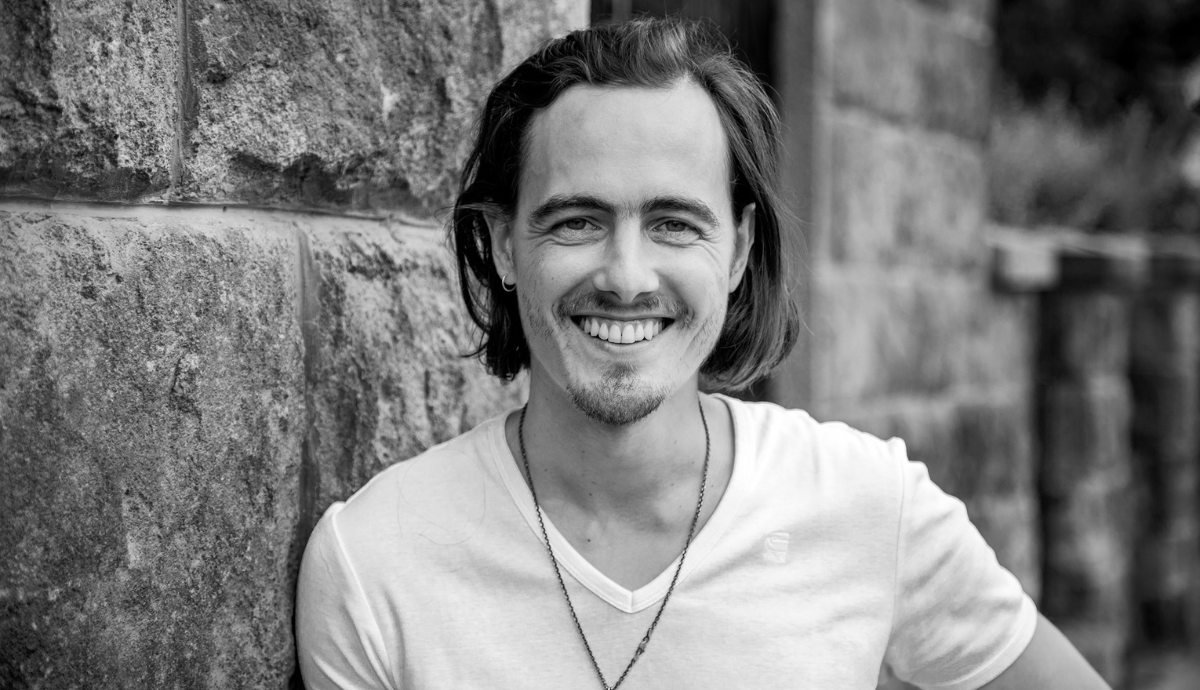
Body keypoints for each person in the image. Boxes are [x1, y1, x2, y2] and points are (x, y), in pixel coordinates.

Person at [296, 17, 1110, 690]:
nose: (626, 276)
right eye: (577, 221)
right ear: (506, 246)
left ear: (739, 248)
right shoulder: (377, 564)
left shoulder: (870, 508)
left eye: (674, 224)